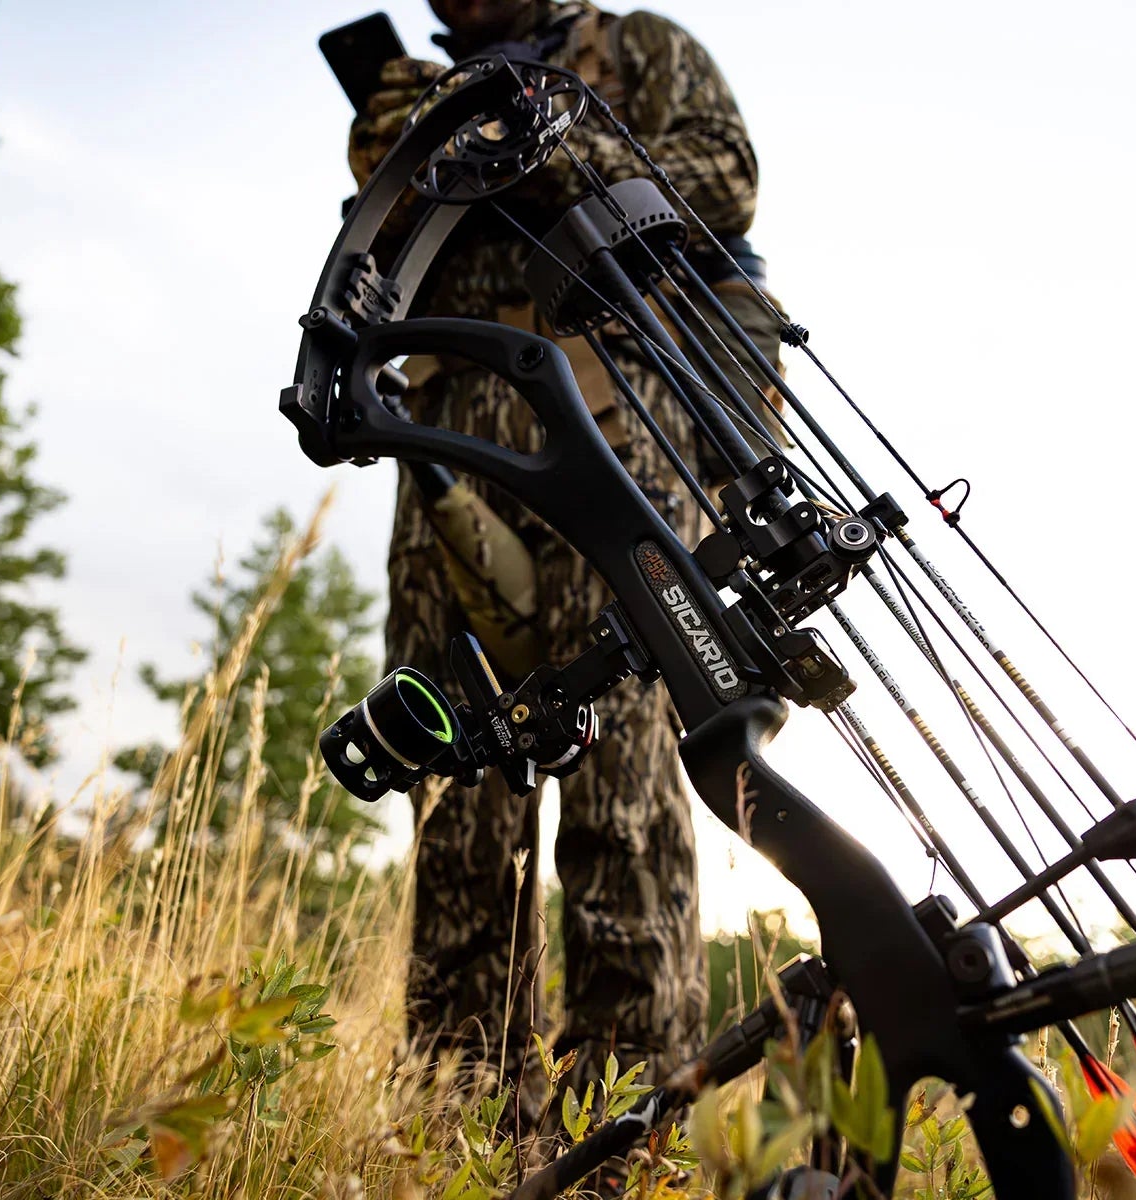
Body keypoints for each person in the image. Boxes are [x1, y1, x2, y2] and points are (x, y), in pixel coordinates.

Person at [346, 0, 767, 1121]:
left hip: (618, 429)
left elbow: (723, 180)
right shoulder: (423, 94)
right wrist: (400, 146)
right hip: (449, 442)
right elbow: (378, 258)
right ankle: (458, 1113)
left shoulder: (638, 50)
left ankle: (623, 1128)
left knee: (621, 780)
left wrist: (533, 136)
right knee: (454, 771)